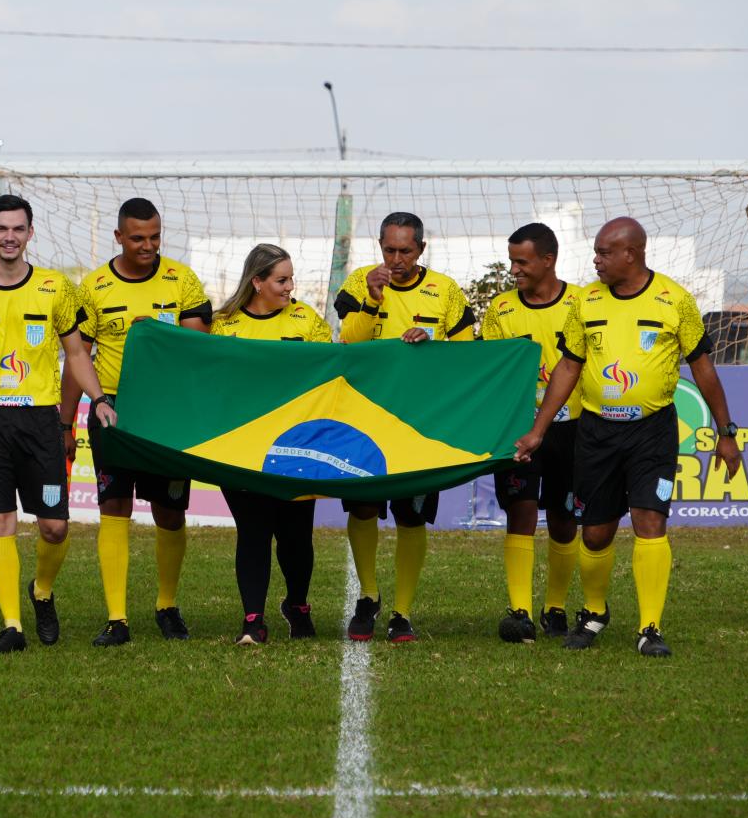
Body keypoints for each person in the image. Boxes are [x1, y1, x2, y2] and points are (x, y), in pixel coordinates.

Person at [516, 216, 742, 657]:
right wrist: (538, 432)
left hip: (652, 431)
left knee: (649, 522)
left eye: (603, 252)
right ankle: (595, 613)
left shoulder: (674, 300)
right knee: (596, 534)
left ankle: (650, 628)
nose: (595, 260)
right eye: (596, 252)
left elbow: (703, 368)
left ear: (631, 254)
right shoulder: (586, 302)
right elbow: (568, 367)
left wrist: (726, 431)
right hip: (597, 432)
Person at [0, 194, 114, 655]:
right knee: (0, 521)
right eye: (1, 228)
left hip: (40, 422)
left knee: (54, 527)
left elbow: (77, 354)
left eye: (18, 229)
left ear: (30, 233)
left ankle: (42, 591)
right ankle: (12, 626)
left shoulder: (56, 288)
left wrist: (99, 398)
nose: (9, 237)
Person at [61, 198, 211, 646]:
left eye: (155, 236)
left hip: (167, 413)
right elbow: (76, 358)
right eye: (138, 238)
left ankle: (167, 606)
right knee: (114, 508)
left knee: (169, 512)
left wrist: (160, 333)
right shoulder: (93, 287)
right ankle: (117, 618)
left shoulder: (181, 279)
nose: (148, 246)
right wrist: (65, 423)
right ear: (119, 237)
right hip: (113, 413)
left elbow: (202, 340)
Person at [333, 211, 473, 643]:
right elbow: (350, 343)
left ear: (421, 249)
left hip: (419, 423)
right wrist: (373, 299)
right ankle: (368, 597)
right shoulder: (358, 283)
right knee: (363, 508)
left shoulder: (446, 291)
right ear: (379, 246)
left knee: (411, 516)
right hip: (364, 419)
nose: (396, 259)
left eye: (405, 251)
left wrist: (432, 344)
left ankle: (402, 612)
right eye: (389, 249)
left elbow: (466, 356)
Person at [214, 243, 333, 644]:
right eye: (281, 280)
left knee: (296, 535)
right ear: (257, 282)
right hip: (241, 448)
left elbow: (331, 374)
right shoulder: (224, 324)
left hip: (298, 445)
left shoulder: (306, 320)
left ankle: (297, 605)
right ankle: (252, 621)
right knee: (253, 530)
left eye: (290, 279)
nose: (289, 287)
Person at [481, 222, 582, 643]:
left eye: (521, 262)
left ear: (548, 260)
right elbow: (491, 369)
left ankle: (555, 607)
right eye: (510, 262)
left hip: (574, 428)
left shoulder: (582, 303)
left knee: (563, 519)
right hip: (519, 429)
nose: (514, 270)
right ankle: (519, 610)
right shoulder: (500, 310)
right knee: (520, 511)